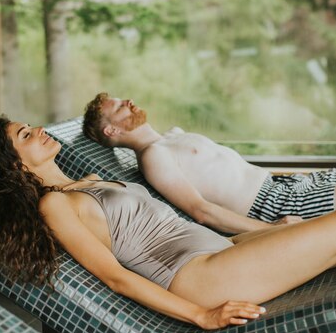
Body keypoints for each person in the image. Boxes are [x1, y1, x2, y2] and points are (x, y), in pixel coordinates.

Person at [0, 115, 336, 332]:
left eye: (31, 126)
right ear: (13, 165)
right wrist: (200, 314)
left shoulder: (90, 180)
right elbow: (114, 276)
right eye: (25, 135)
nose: (39, 129)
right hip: (202, 276)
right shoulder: (55, 205)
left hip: (226, 251)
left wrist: (272, 231)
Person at [82, 93, 336, 234]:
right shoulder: (152, 157)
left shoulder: (171, 136)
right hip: (276, 205)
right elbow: (201, 211)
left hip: (291, 186)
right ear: (111, 131)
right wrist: (271, 230)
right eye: (119, 107)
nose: (129, 101)